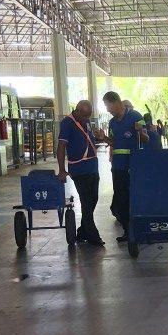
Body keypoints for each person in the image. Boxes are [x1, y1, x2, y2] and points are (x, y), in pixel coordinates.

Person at [56, 100, 105, 247]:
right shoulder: (67, 123)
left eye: (88, 115)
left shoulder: (87, 121)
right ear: (76, 111)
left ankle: (82, 232)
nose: (86, 118)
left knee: (93, 200)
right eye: (84, 115)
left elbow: (88, 139)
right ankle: (93, 236)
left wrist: (99, 136)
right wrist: (62, 170)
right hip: (78, 169)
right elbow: (61, 147)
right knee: (86, 201)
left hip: (92, 167)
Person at [103, 90, 148, 242]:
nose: (108, 110)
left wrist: (140, 131)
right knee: (121, 198)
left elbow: (146, 139)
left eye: (108, 106)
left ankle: (140, 228)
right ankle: (127, 231)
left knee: (136, 196)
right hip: (118, 166)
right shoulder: (112, 122)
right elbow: (114, 142)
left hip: (134, 165)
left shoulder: (136, 116)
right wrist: (104, 138)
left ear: (116, 103)